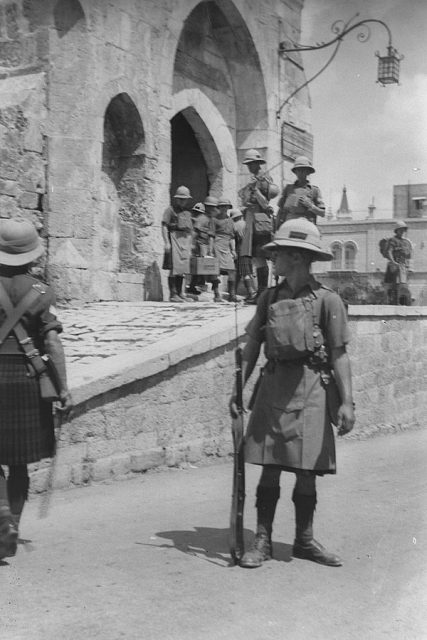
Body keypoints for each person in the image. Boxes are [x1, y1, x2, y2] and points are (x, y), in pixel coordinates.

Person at [229, 217, 355, 569]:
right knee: (269, 467)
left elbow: (339, 354)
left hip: (313, 388)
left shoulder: (328, 301)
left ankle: (303, 540)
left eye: (279, 254)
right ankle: (263, 540)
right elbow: (253, 342)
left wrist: (347, 402)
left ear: (297, 257)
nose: (274, 260)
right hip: (273, 388)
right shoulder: (268, 297)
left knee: (306, 470)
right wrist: (238, 389)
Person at [0, 219, 73, 560]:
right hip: (28, 379)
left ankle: (1, 513)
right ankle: (11, 522)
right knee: (18, 464)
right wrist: (64, 390)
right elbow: (54, 344)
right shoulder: (42, 293)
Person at [238, 149, 279, 303]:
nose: (249, 167)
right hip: (251, 221)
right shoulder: (253, 180)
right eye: (248, 164)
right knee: (257, 258)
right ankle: (260, 293)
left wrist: (256, 189)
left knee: (261, 257)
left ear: (257, 164)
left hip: (261, 223)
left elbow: (265, 203)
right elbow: (245, 200)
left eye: (251, 164)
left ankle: (263, 293)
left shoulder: (264, 180)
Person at [162, 186, 193, 302]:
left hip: (184, 241)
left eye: (184, 199)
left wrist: (191, 245)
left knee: (182, 268)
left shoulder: (187, 212)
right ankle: (173, 294)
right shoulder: (170, 210)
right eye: (180, 199)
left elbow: (190, 229)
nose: (182, 201)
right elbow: (164, 225)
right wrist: (166, 242)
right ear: (176, 199)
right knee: (174, 268)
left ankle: (180, 293)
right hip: (174, 238)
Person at [276, 156, 325, 228]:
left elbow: (322, 213)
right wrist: (277, 229)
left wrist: (311, 206)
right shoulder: (288, 189)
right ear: (295, 172)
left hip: (307, 228)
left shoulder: (314, 190)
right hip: (289, 227)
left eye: (304, 170)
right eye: (298, 170)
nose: (301, 173)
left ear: (308, 172)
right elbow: (281, 212)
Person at [192, 196, 221, 302]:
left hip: (209, 247)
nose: (215, 210)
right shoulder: (201, 218)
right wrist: (192, 245)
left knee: (212, 269)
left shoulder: (212, 220)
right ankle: (193, 288)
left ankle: (217, 293)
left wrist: (211, 249)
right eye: (213, 208)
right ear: (208, 208)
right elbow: (195, 233)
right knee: (199, 269)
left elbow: (212, 235)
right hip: (200, 246)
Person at [382, 221, 412, 305]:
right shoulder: (393, 240)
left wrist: (407, 265)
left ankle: (399, 301)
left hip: (402, 265)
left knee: (402, 284)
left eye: (403, 230)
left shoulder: (404, 242)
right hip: (394, 264)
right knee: (392, 284)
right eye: (400, 230)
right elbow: (390, 251)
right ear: (397, 230)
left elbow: (407, 255)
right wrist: (393, 261)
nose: (402, 232)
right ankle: (393, 302)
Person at [213, 199, 237, 302]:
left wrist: (233, 250)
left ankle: (232, 294)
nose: (224, 208)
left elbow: (232, 237)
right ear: (219, 208)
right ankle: (216, 294)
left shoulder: (231, 221)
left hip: (227, 245)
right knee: (215, 270)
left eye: (226, 206)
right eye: (222, 206)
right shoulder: (214, 220)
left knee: (231, 270)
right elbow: (211, 235)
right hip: (217, 243)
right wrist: (210, 250)